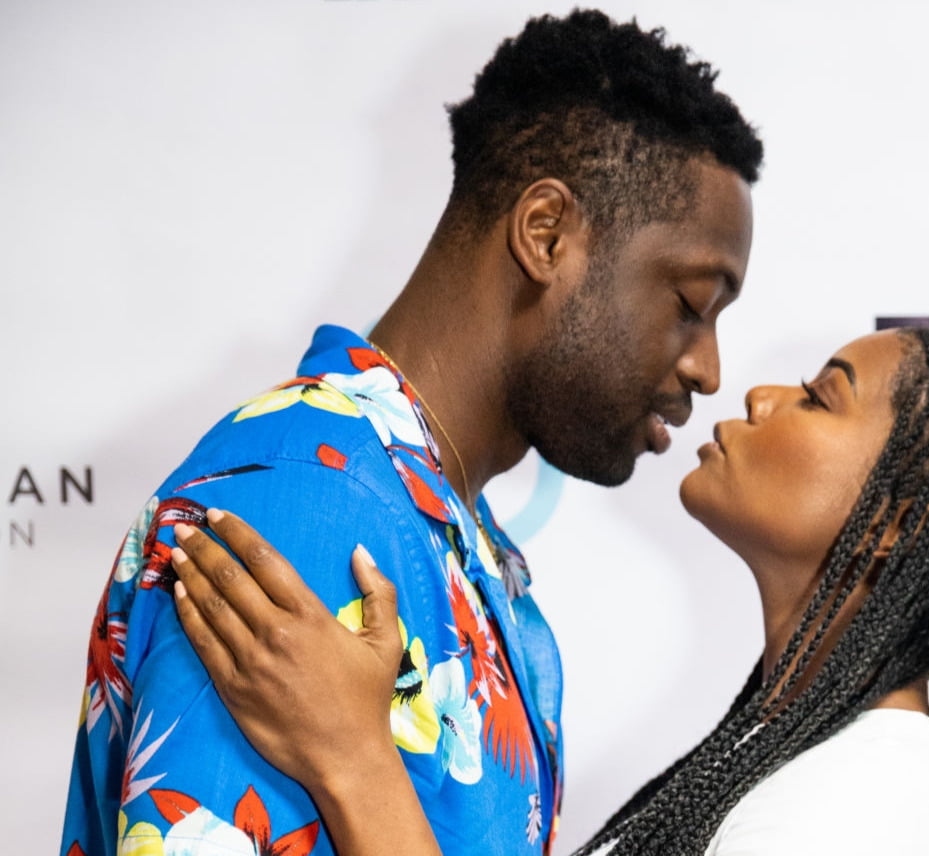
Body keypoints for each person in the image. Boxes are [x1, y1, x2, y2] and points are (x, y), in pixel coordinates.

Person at [61, 9, 762, 856]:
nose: (708, 370)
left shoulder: (459, 545)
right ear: (546, 234)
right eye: (690, 304)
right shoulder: (302, 510)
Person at [168, 326, 929, 855]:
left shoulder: (851, 811)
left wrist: (353, 757)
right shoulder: (798, 753)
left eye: (818, 396)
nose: (758, 394)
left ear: (894, 524)